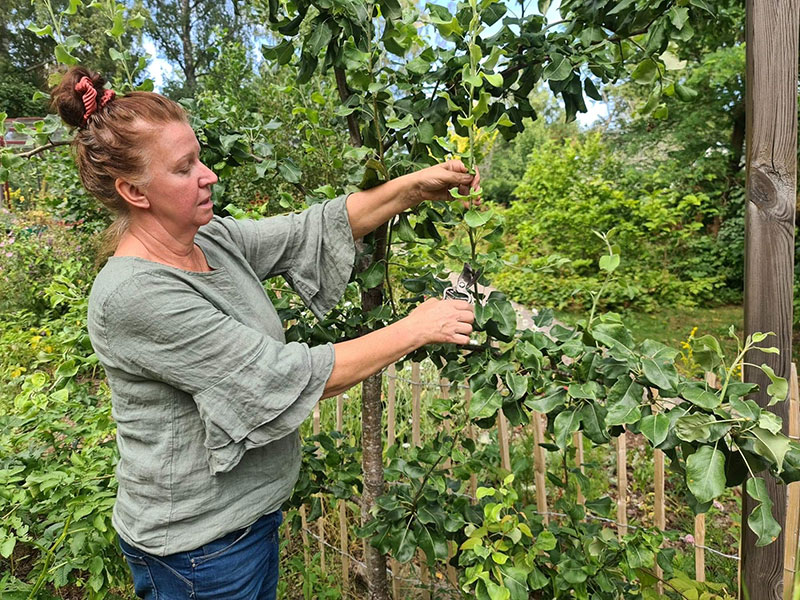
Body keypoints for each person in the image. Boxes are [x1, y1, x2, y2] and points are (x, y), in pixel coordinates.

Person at [51, 66, 479, 600]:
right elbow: (280, 376)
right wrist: (416, 328)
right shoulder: (135, 296)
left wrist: (414, 187)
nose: (207, 175)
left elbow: (311, 227)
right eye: (185, 168)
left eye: (200, 157)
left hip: (244, 527)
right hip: (196, 552)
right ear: (133, 191)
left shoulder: (211, 239)